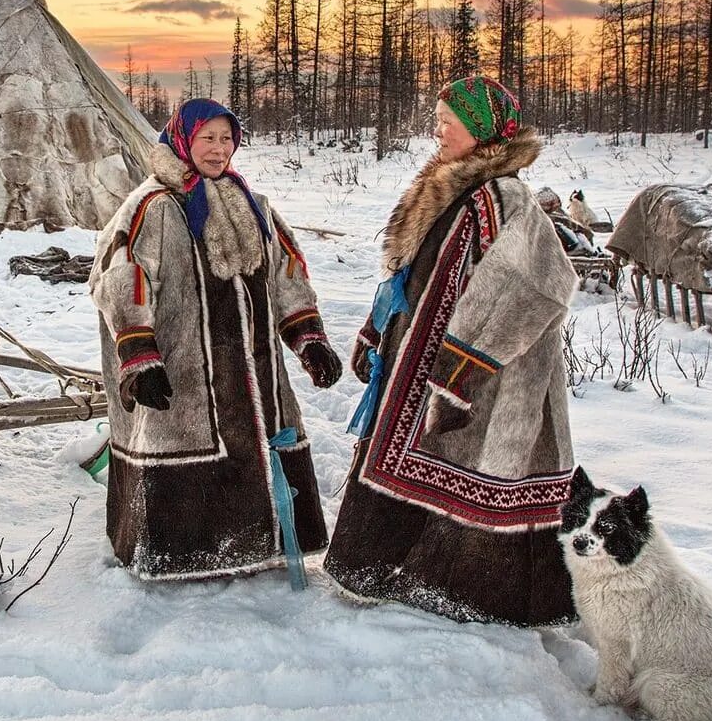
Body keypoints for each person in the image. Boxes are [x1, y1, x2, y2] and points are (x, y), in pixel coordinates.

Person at [323, 76, 578, 625]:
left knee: (473, 461)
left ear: (481, 130)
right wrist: (376, 327)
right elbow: (410, 271)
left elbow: (540, 283)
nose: (437, 131)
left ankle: (473, 590)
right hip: (418, 351)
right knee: (417, 455)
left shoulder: (504, 198)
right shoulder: (451, 187)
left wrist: (463, 367)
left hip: (484, 375)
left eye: (448, 123)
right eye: (437, 120)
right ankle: (391, 571)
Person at [89, 98, 343, 581]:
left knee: (257, 437)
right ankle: (183, 557)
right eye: (208, 138)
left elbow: (287, 271)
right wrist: (139, 354)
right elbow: (120, 276)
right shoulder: (153, 206)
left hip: (256, 363)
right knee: (191, 439)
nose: (219, 149)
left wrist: (308, 338)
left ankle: (250, 547)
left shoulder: (252, 204)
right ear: (184, 139)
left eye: (227, 138)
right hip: (182, 369)